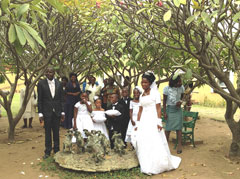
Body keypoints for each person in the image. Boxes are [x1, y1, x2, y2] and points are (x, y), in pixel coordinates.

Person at [135, 71, 181, 175]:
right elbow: (140, 110)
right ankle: (146, 162)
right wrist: (137, 124)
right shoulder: (141, 95)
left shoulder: (155, 93)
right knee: (144, 141)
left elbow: (158, 109)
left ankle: (157, 164)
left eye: (145, 82)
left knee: (154, 141)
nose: (143, 84)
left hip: (152, 119)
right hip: (143, 121)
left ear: (150, 83)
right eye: (142, 82)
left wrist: (159, 122)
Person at [37, 67, 65, 159]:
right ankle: (47, 151)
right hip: (46, 112)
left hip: (57, 112)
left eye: (51, 72)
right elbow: (40, 99)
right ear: (45, 73)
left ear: (54, 73)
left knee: (56, 131)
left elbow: (62, 99)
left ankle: (56, 150)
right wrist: (40, 113)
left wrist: (63, 111)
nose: (49, 73)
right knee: (47, 132)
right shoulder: (41, 84)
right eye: (47, 72)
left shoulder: (59, 84)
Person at [163, 73, 185, 154]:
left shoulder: (181, 88)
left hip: (178, 110)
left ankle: (179, 145)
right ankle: (165, 146)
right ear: (173, 82)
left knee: (179, 128)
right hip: (170, 109)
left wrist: (180, 102)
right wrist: (164, 112)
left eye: (180, 81)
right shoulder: (166, 89)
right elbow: (164, 101)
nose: (180, 83)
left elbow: (182, 96)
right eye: (178, 82)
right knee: (168, 128)